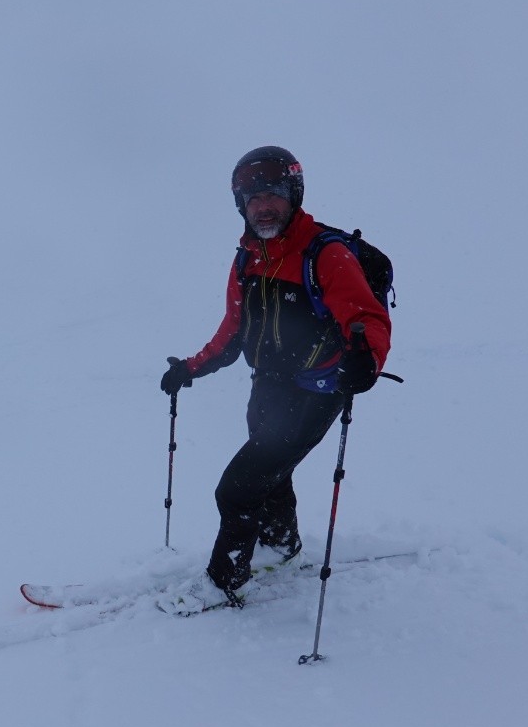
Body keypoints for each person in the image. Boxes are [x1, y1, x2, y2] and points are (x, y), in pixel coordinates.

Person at [159, 146, 391, 603]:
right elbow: (233, 329)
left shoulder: (325, 253)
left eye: (273, 194)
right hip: (268, 385)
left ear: (294, 196)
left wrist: (366, 359)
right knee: (272, 476)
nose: (263, 205)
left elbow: (368, 319)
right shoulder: (249, 257)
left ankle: (224, 581)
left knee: (238, 489)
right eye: (253, 198)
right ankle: (282, 545)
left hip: (317, 391)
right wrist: (191, 368)